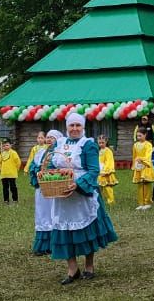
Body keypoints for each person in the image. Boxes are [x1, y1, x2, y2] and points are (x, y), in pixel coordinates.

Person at [34, 114, 118, 284]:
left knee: (86, 231)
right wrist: (51, 176)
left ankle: (89, 265)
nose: (74, 128)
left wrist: (78, 184)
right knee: (64, 231)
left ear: (83, 127)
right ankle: (72, 269)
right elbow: (49, 164)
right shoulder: (59, 143)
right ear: (66, 127)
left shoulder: (88, 145)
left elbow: (94, 170)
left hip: (82, 196)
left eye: (77, 125)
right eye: (71, 125)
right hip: (62, 195)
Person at [27, 134, 53, 256]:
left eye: (53, 137)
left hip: (56, 190)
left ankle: (55, 244)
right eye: (48, 137)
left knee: (54, 215)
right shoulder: (40, 152)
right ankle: (43, 245)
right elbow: (32, 167)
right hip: (42, 189)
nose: (49, 139)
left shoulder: (60, 154)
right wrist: (39, 169)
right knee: (43, 215)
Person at [131, 126, 154, 210]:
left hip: (146, 166)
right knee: (140, 184)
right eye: (137, 136)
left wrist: (141, 159)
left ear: (145, 135)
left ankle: (147, 202)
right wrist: (134, 164)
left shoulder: (148, 144)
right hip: (138, 166)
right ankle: (141, 203)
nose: (138, 137)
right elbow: (134, 156)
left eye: (140, 135)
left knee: (146, 184)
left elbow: (148, 156)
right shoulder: (135, 145)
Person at [0, 139, 21, 204]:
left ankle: (15, 199)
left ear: (10, 145)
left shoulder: (13, 153)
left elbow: (18, 162)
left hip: (12, 174)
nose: (6, 147)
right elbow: (0, 163)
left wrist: (16, 169)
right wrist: (1, 169)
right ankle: (6, 200)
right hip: (4, 174)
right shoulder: (2, 154)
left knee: (13, 187)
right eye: (4, 145)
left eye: (7, 145)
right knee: (5, 188)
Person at [97, 135, 117, 206]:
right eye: (99, 143)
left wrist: (106, 170)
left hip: (105, 171)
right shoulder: (99, 151)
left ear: (106, 142)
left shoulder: (108, 151)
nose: (101, 144)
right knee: (99, 187)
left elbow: (109, 161)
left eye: (103, 142)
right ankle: (101, 201)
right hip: (99, 170)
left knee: (107, 187)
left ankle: (111, 201)